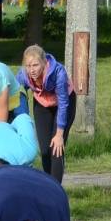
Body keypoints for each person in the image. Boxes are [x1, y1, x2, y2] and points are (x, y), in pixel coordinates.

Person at [15, 45, 76, 182]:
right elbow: (14, 90)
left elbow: (63, 103)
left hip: (64, 104)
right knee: (45, 150)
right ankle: (48, 186)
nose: (32, 70)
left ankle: (56, 189)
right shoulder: (24, 74)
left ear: (43, 62)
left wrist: (59, 135)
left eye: (35, 65)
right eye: (28, 66)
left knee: (56, 149)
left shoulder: (58, 72)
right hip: (42, 103)